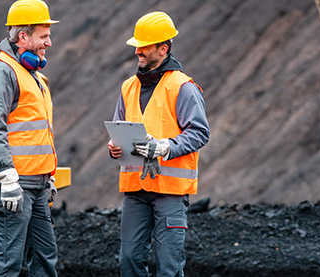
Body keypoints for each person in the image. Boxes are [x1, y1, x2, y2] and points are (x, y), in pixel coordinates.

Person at [107, 11, 210, 277]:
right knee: (129, 260)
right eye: (137, 46)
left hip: (170, 192)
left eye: (144, 46)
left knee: (169, 267)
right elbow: (120, 127)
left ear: (163, 49)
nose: (138, 51)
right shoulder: (128, 87)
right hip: (135, 190)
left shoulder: (183, 87)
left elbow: (200, 133)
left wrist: (164, 147)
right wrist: (114, 147)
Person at [0, 0, 59, 276]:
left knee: (45, 257)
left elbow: (36, 132)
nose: (49, 42)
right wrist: (6, 176)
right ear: (23, 37)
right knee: (8, 261)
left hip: (36, 182)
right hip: (12, 182)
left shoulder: (32, 75)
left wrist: (48, 175)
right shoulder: (1, 72)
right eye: (44, 36)